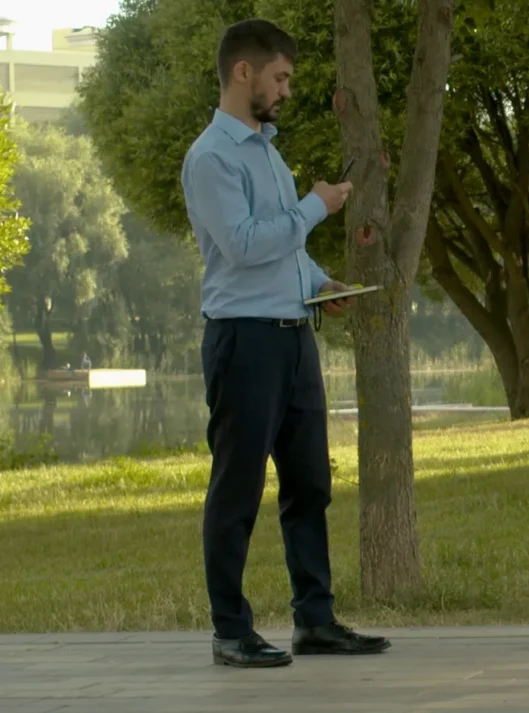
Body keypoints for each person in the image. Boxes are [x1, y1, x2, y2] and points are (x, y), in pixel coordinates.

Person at [180, 18, 388, 669]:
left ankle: (315, 620)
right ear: (244, 72)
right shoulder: (210, 157)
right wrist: (317, 205)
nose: (287, 90)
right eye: (280, 76)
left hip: (296, 337)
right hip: (244, 343)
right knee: (237, 488)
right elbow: (242, 246)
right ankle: (230, 630)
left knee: (310, 485)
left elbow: (282, 248)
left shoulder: (267, 150)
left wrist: (322, 283)